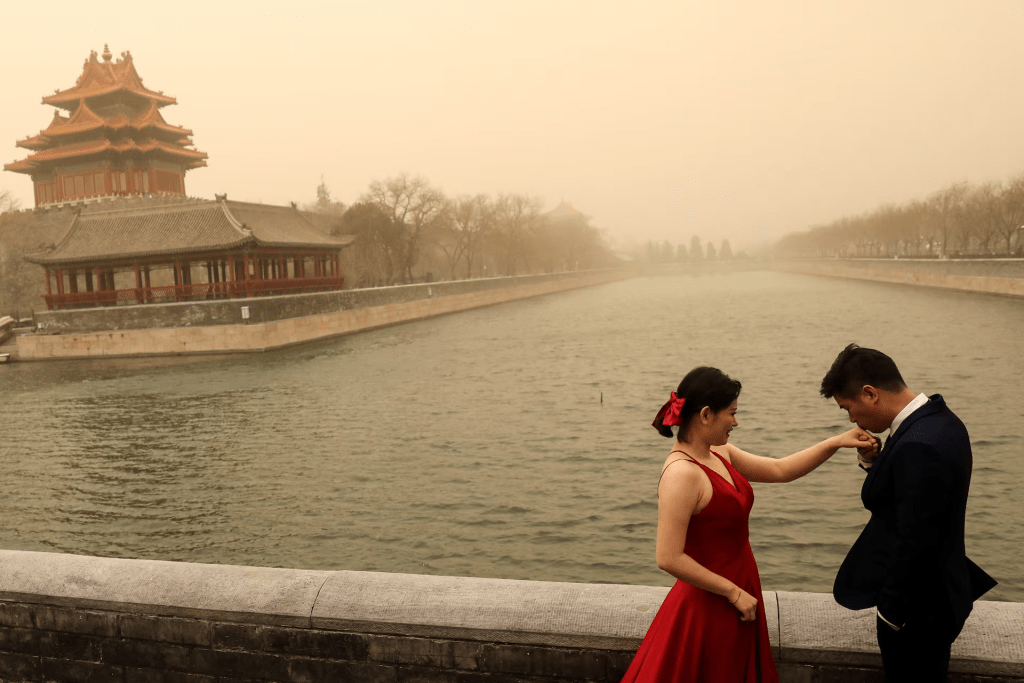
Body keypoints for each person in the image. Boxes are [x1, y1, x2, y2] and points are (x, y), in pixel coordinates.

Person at [621, 366, 874, 682]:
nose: (736, 422)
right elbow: (668, 557)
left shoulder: (720, 453)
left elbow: (779, 470)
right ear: (705, 415)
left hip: (740, 587)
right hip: (710, 602)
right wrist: (732, 592)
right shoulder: (681, 474)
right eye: (731, 413)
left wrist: (836, 442)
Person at [821, 344, 996, 682]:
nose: (852, 419)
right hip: (935, 599)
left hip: (917, 613)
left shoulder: (917, 445)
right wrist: (872, 462)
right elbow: (908, 503)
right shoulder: (940, 421)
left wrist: (892, 614)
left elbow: (914, 539)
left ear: (870, 394)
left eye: (848, 408)